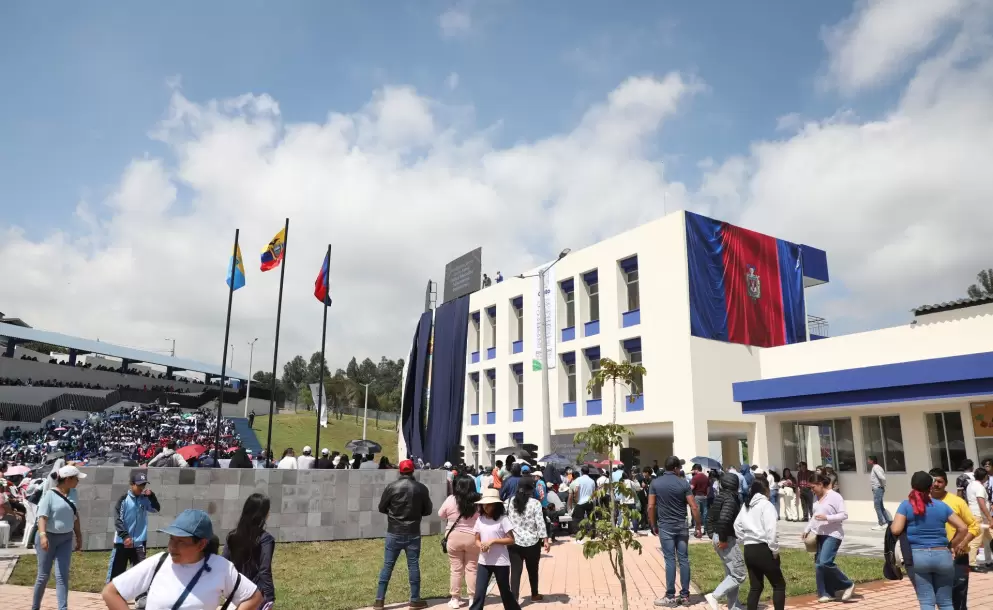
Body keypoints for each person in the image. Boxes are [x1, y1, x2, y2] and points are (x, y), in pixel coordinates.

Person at [101, 509, 262, 610]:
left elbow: (254, 597)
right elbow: (111, 592)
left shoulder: (220, 567)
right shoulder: (159, 562)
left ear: (201, 544)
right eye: (171, 539)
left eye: (181, 542)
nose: (172, 547)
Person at [891, 471, 969, 610]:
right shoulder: (941, 505)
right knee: (946, 602)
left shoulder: (906, 505)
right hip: (942, 556)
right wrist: (951, 545)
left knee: (926, 602)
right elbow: (963, 528)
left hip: (918, 557)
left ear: (912, 486)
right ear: (930, 487)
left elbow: (896, 529)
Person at [374, 459, 433, 610]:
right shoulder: (421, 488)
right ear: (413, 471)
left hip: (394, 531)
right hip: (413, 532)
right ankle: (415, 600)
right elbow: (428, 510)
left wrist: (393, 513)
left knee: (387, 566)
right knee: (413, 565)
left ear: (400, 471)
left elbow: (381, 507)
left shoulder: (391, 487)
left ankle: (379, 600)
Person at [649, 456, 703, 607]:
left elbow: (651, 506)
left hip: (665, 526)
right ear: (675, 468)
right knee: (683, 559)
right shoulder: (683, 483)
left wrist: (653, 524)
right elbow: (694, 506)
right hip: (681, 525)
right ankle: (685, 596)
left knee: (670, 560)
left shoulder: (655, 483)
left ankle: (670, 596)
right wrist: (698, 526)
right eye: (679, 468)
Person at [31, 464, 84, 610]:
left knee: (62, 575)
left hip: (66, 538)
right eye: (76, 478)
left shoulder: (74, 493)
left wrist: (78, 535)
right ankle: (35, 607)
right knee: (43, 576)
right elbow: (42, 517)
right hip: (48, 538)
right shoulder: (50, 495)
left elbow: (75, 515)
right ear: (68, 479)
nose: (78, 481)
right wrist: (43, 536)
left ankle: (63, 608)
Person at [929, 468, 979, 610]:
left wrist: (963, 543)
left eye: (940, 481)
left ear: (945, 483)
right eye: (933, 481)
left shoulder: (957, 502)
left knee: (958, 595)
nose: (936, 484)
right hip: (933, 556)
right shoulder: (923, 503)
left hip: (958, 556)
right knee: (939, 596)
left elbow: (974, 526)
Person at [735, 479, 785, 610]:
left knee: (756, 586)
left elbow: (737, 525)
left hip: (749, 549)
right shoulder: (766, 505)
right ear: (766, 490)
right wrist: (774, 550)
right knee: (779, 585)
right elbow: (771, 530)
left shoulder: (746, 505)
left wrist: (744, 538)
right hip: (763, 549)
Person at [803, 473, 854, 603]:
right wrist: (807, 529)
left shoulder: (835, 497)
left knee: (825, 562)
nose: (812, 490)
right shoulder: (816, 497)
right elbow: (815, 516)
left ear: (820, 484)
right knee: (819, 565)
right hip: (820, 534)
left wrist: (827, 517)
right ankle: (826, 593)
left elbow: (844, 515)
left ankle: (847, 584)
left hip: (833, 534)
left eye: (813, 487)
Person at [468, 488, 521, 610]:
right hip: (484, 562)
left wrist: (493, 541)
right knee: (479, 592)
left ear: (496, 505)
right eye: (484, 504)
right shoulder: (480, 519)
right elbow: (476, 539)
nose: (486, 507)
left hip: (500, 562)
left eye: (490, 504)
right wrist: (481, 545)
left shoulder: (503, 519)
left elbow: (511, 540)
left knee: (505, 592)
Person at [106, 470, 160, 583]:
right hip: (122, 542)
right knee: (116, 574)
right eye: (139, 484)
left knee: (140, 575)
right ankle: (112, 592)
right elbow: (118, 519)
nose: (141, 487)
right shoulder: (123, 499)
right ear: (132, 484)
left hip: (139, 542)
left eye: (143, 485)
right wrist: (125, 536)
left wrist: (152, 496)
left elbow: (156, 509)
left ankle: (138, 594)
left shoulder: (145, 499)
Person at [224, 493, 276, 609]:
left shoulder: (232, 536)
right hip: (255, 595)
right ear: (263, 514)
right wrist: (270, 597)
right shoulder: (265, 539)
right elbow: (265, 570)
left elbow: (224, 564)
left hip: (234, 592)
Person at [438, 475, 481, 609]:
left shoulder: (451, 499)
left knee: (456, 570)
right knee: (472, 569)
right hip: (473, 537)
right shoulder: (478, 501)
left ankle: (455, 599)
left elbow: (441, 514)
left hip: (454, 537)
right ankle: (472, 598)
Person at [703, 472, 745, 610]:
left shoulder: (719, 497)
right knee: (739, 575)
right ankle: (714, 596)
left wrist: (712, 535)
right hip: (726, 538)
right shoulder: (730, 500)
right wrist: (722, 539)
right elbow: (724, 520)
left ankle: (734, 606)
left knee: (731, 574)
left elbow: (709, 518)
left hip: (719, 535)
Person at [505, 477, 549, 601]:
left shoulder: (509, 502)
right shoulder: (535, 503)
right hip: (532, 543)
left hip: (514, 542)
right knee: (533, 570)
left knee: (515, 571)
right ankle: (534, 594)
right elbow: (540, 523)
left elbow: (504, 520)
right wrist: (545, 540)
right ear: (531, 490)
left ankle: (514, 599)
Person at [965, 467, 993, 569]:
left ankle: (989, 561)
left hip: (979, 516)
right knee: (976, 540)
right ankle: (972, 563)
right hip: (979, 517)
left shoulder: (970, 485)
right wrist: (990, 518)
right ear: (985, 477)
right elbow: (981, 503)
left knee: (989, 539)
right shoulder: (979, 487)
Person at [568, 465, 596, 538]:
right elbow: (594, 493)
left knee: (577, 519)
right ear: (588, 472)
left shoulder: (578, 480)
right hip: (589, 501)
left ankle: (578, 534)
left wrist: (576, 499)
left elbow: (576, 489)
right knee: (591, 518)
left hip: (580, 502)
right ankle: (592, 533)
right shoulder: (592, 481)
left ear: (582, 472)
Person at [867, 456, 890, 530]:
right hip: (879, 489)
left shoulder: (875, 468)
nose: (867, 461)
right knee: (880, 506)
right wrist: (883, 485)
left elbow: (882, 477)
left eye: (869, 459)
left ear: (872, 461)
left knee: (877, 506)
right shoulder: (878, 467)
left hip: (877, 489)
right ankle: (887, 522)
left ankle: (882, 523)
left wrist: (883, 484)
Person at [690, 464, 710, 530]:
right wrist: (706, 495)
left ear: (696, 469)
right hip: (704, 497)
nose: (693, 471)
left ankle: (697, 528)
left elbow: (692, 487)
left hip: (697, 496)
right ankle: (705, 528)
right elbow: (708, 488)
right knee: (705, 513)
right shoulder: (706, 477)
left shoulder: (695, 477)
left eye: (694, 470)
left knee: (697, 513)